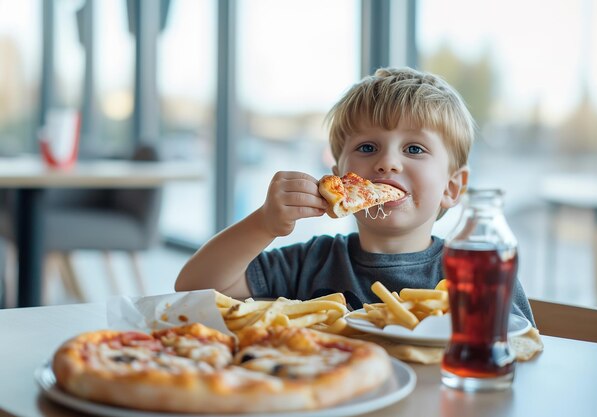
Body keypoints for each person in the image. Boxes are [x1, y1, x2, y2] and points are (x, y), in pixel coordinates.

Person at [175, 67, 535, 324]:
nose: (387, 163)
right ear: (339, 180)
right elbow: (194, 286)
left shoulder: (471, 271)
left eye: (413, 149)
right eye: (367, 147)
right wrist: (264, 223)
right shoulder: (312, 261)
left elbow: (517, 343)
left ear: (451, 187)